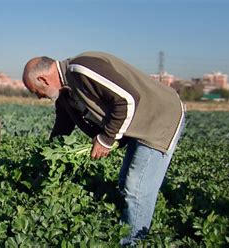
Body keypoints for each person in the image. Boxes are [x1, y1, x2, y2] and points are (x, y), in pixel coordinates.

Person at [22, 51, 185, 245]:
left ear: (43, 79)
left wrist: (106, 139)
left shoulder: (82, 69)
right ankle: (128, 229)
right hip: (136, 124)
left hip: (159, 118)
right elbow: (63, 125)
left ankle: (133, 242)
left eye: (35, 90)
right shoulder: (65, 94)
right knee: (126, 181)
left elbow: (128, 99)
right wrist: (48, 156)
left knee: (137, 188)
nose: (38, 96)